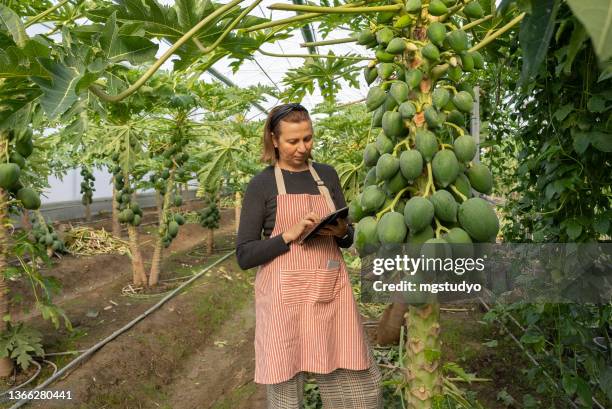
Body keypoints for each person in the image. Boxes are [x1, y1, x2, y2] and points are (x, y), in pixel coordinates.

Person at [236, 103, 383, 408]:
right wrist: (288, 236)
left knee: (359, 387)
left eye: (308, 138)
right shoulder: (261, 184)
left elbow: (347, 238)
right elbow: (245, 254)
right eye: (293, 141)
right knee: (286, 394)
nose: (302, 147)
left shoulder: (327, 176)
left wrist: (341, 232)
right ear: (274, 140)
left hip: (330, 291)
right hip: (284, 301)